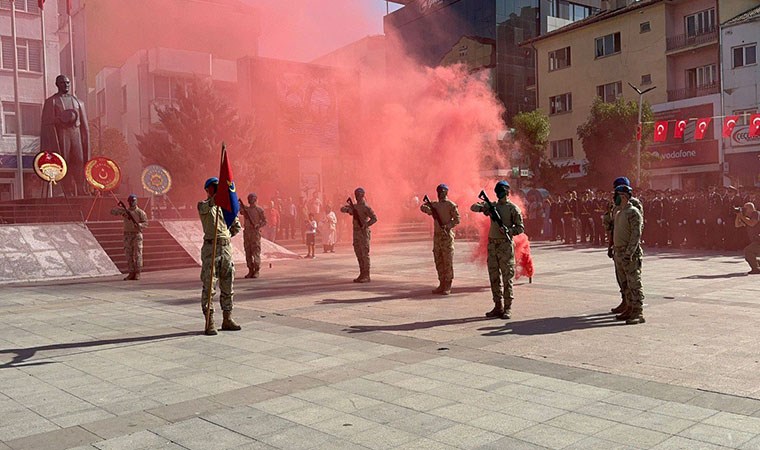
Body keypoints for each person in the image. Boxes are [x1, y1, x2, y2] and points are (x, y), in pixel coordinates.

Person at [470, 181, 524, 319]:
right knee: (494, 277)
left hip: (505, 245)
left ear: (506, 192)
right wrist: (485, 209)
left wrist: (509, 230)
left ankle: (507, 308)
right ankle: (497, 306)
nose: (498, 194)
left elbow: (520, 228)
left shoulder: (513, 209)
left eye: (500, 191)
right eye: (497, 191)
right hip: (493, 245)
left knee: (507, 278)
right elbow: (473, 207)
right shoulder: (492, 205)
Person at [199, 177, 242, 336]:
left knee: (227, 285)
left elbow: (236, 226)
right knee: (209, 287)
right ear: (207, 190)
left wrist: (226, 235)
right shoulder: (204, 206)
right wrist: (216, 199)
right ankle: (209, 321)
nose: (216, 190)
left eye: (218, 187)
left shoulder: (226, 209)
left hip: (225, 249)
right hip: (211, 250)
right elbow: (206, 206)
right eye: (213, 187)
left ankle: (227, 318)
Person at [40, 75, 90, 196]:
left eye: (67, 83)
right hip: (62, 134)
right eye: (63, 83)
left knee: (79, 160)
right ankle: (68, 190)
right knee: (64, 162)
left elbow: (84, 125)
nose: (66, 85)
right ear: (57, 84)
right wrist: (59, 119)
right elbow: (46, 122)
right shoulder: (51, 101)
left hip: (76, 134)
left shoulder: (78, 101)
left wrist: (86, 139)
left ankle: (81, 187)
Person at [605, 176, 643, 316]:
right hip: (618, 246)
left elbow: (637, 229)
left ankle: (635, 308)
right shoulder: (616, 206)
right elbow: (612, 226)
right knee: (621, 279)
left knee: (632, 280)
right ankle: (626, 302)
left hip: (629, 247)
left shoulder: (634, 206)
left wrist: (630, 250)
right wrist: (611, 244)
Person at [420, 184, 460, 295]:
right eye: (439, 192)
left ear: (446, 192)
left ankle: (447, 285)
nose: (440, 194)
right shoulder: (435, 205)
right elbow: (422, 207)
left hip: (446, 236)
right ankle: (441, 283)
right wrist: (430, 210)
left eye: (443, 192)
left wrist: (447, 226)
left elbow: (457, 219)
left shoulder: (450, 205)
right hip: (437, 237)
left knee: (447, 261)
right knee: (438, 260)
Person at [340, 187, 377, 282]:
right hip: (356, 232)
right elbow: (342, 209)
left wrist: (366, 225)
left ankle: (366, 275)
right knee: (358, 254)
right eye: (356, 195)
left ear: (362, 195)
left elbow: (374, 218)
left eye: (359, 195)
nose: (357, 197)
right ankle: (361, 273)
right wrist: (349, 210)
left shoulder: (366, 207)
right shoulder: (354, 206)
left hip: (363, 233)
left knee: (365, 254)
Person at [110, 194, 148, 280]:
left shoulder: (140, 212)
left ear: (136, 201)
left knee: (138, 254)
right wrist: (122, 211)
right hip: (127, 235)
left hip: (137, 234)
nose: (132, 203)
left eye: (133, 201)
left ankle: (137, 272)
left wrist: (139, 225)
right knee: (128, 254)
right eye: (130, 201)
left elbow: (146, 223)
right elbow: (112, 211)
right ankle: (131, 272)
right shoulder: (125, 211)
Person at [239, 193, 267, 278]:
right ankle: (250, 270)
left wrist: (258, 225)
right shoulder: (246, 210)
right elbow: (240, 211)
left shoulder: (259, 210)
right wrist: (240, 205)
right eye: (249, 199)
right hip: (247, 232)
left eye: (252, 199)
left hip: (255, 233)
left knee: (255, 251)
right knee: (248, 251)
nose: (251, 200)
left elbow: (265, 221)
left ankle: (256, 270)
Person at [735, 202, 760, 274]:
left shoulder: (756, 213)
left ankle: (756, 269)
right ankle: (757, 266)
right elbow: (737, 225)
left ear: (750, 208)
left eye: (745, 209)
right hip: (757, 241)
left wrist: (741, 216)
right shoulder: (747, 218)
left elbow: (752, 224)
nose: (744, 210)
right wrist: (738, 215)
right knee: (750, 254)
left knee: (748, 251)